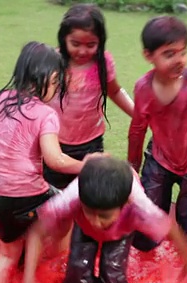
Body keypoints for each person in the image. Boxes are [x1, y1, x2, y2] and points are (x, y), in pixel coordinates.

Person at [0, 41, 98, 283]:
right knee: (67, 207)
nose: (56, 90)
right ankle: (56, 266)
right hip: (28, 197)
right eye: (56, 83)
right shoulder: (45, 114)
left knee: (8, 255)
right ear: (47, 77)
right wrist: (86, 165)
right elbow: (55, 160)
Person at [22, 157, 187, 283]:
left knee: (114, 272)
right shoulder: (72, 198)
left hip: (120, 231)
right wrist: (29, 282)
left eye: (104, 216)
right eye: (89, 212)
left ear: (124, 206)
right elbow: (37, 232)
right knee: (77, 270)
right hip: (83, 228)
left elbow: (170, 227)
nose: (96, 222)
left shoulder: (138, 208)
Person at [127, 16, 187, 250]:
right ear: (148, 55)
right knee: (147, 219)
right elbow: (138, 129)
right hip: (159, 160)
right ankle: (145, 263)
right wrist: (132, 167)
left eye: (182, 52)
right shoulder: (143, 88)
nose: (179, 60)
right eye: (169, 54)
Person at [44, 3, 134, 190]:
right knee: (54, 194)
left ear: (100, 42)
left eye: (91, 45)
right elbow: (37, 99)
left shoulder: (103, 63)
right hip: (54, 142)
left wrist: (139, 114)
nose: (83, 51)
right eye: (75, 44)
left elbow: (115, 91)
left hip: (90, 143)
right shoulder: (53, 61)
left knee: (88, 191)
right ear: (64, 38)